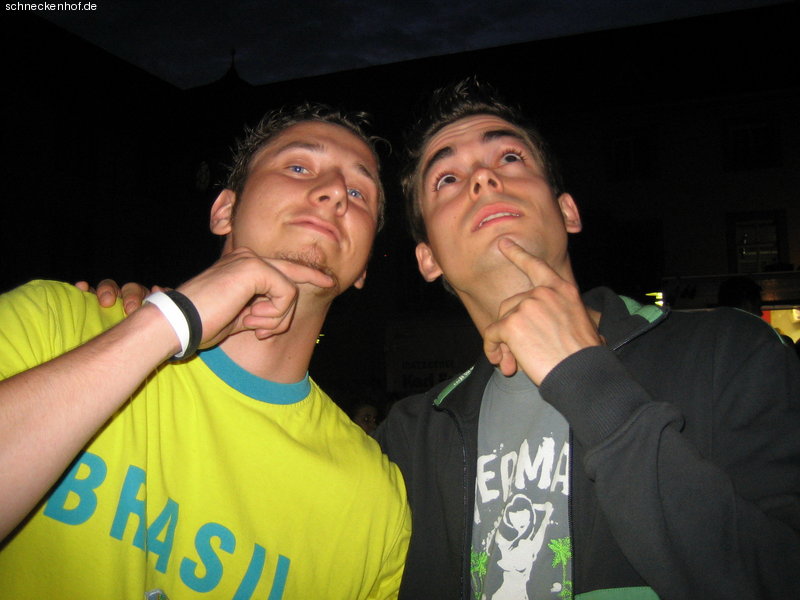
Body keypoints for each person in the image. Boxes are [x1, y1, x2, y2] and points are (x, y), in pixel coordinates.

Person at [373, 79, 800, 599]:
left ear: (568, 212)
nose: (483, 177)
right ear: (428, 260)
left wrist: (588, 382)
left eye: (509, 157)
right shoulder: (410, 440)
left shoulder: (730, 353)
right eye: (447, 179)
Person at [0, 103, 410, 599]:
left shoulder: (373, 501)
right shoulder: (53, 325)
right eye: (299, 167)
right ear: (224, 212)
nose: (335, 193)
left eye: (359, 192)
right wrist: (170, 322)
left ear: (363, 267)